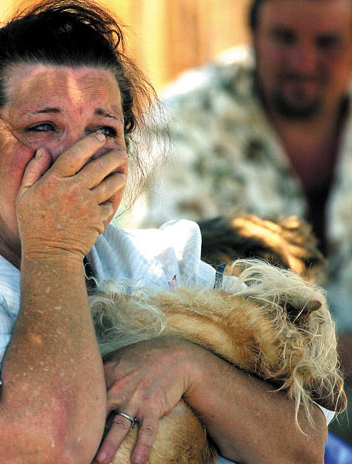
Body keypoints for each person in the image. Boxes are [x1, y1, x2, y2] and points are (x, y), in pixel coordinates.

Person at [0, 1, 332, 463]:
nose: (74, 158)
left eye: (103, 131)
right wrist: (54, 250)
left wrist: (187, 366)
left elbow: (304, 450)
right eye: (42, 127)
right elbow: (45, 454)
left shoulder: (157, 267)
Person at [140, 0, 352, 442]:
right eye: (284, 38)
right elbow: (178, 300)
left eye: (327, 42)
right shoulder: (185, 120)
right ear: (253, 33)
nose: (303, 62)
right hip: (245, 387)